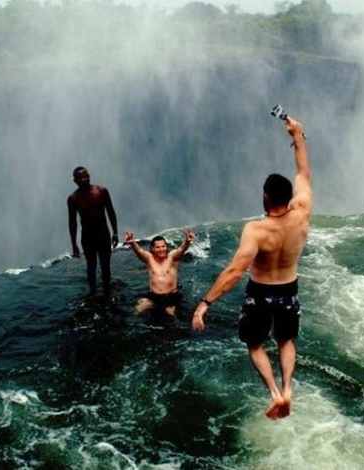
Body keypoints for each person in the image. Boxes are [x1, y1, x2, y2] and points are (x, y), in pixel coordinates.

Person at [191, 116, 312, 420]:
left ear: (266, 197)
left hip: (260, 293)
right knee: (286, 340)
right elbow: (303, 172)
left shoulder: (256, 230)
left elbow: (234, 272)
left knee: (255, 345)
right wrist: (297, 135)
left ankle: (273, 393)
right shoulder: (303, 211)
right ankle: (288, 390)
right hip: (289, 289)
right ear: (289, 197)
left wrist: (205, 303)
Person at [67, 166, 119, 298]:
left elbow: (111, 212)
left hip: (103, 234)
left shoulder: (101, 191)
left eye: (86, 176)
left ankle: (107, 293)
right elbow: (72, 223)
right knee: (91, 266)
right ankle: (93, 293)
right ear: (75, 180)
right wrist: (74, 244)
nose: (85, 179)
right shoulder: (73, 198)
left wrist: (115, 233)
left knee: (105, 266)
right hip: (88, 237)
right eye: (81, 177)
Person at [124, 229, 195, 316]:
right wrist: (132, 243)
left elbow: (181, 250)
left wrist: (187, 242)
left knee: (171, 315)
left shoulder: (172, 257)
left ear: (166, 246)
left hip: (171, 297)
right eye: (158, 247)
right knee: (137, 311)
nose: (161, 249)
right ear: (153, 248)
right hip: (154, 296)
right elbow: (139, 251)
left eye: (163, 246)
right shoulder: (149, 259)